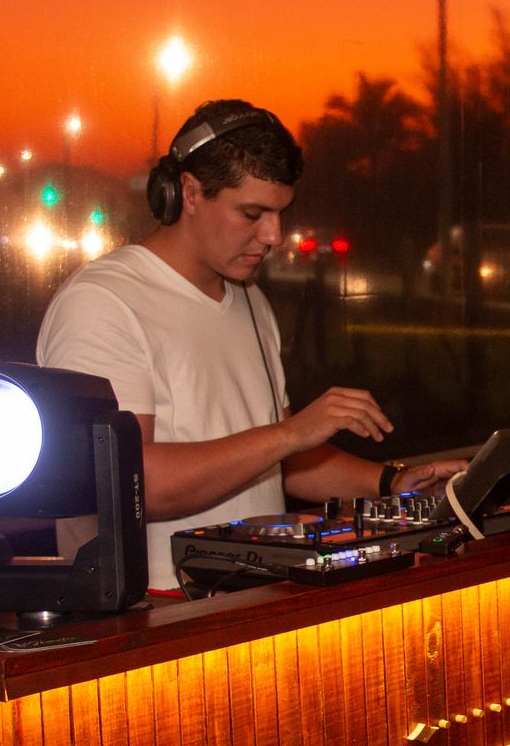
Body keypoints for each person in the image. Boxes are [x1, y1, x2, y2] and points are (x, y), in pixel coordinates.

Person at [37, 99, 464, 594]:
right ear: (189, 193)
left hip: (252, 593)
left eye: (280, 214)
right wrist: (289, 432)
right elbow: (128, 480)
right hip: (155, 606)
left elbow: (282, 460)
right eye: (253, 213)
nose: (274, 236)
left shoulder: (249, 298)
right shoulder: (103, 302)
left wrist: (389, 485)